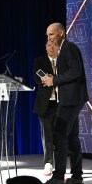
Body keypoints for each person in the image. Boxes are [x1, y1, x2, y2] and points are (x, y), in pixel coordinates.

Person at [42, 22, 89, 184]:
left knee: (59, 135)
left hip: (71, 99)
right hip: (72, 98)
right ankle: (77, 178)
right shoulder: (64, 50)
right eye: (47, 35)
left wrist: (54, 80)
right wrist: (53, 77)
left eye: (52, 34)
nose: (49, 38)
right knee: (71, 138)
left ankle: (58, 178)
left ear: (61, 33)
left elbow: (75, 71)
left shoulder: (69, 48)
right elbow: (70, 73)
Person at [33, 41, 59, 176]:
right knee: (47, 134)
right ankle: (48, 163)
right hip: (46, 104)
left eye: (54, 45)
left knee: (61, 135)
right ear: (45, 47)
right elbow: (37, 78)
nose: (51, 47)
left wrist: (54, 79)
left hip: (62, 103)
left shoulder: (63, 61)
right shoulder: (39, 61)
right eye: (48, 45)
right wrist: (47, 79)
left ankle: (61, 165)